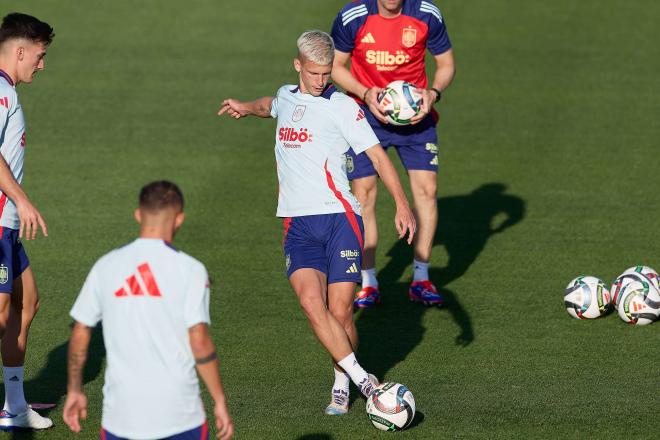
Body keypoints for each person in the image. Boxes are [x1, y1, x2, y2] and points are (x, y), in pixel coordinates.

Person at [218, 30, 416, 415]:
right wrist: (244, 105)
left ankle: (341, 382)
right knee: (312, 304)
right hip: (298, 224)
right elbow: (268, 105)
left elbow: (377, 157)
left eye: (327, 73)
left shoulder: (343, 107)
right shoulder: (286, 96)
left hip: (341, 219)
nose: (322, 81)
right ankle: (363, 380)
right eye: (314, 73)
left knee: (340, 312)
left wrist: (402, 205)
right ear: (298, 66)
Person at [63, 181, 234, 440]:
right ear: (179, 220)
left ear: (138, 215)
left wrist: (75, 389)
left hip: (120, 418)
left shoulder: (106, 266)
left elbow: (80, 332)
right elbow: (199, 340)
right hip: (180, 415)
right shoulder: (191, 269)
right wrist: (219, 400)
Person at [331, 0, 456, 308]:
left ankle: (421, 278)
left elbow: (446, 64)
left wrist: (433, 93)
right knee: (364, 195)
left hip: (417, 119)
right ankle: (369, 281)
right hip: (364, 117)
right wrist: (365, 93)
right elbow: (335, 66)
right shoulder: (354, 17)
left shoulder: (426, 14)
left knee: (427, 192)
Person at [0, 12, 53, 430]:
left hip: (8, 225)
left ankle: (14, 407)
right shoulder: (0, 91)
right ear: (20, 51)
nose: (42, 64)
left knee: (26, 302)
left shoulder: (8, 92)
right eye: (39, 55)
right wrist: (23, 199)